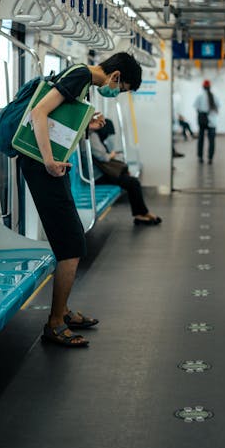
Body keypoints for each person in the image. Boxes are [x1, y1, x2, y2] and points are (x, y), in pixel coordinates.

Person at [18, 52, 142, 348]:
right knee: (71, 244)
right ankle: (55, 323)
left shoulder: (82, 80)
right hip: (42, 164)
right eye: (121, 88)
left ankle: (62, 312)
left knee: (73, 241)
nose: (116, 93)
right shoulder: (80, 76)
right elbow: (39, 113)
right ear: (115, 77)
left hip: (52, 165)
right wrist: (49, 160)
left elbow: (59, 121)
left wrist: (88, 127)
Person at [88, 119, 162, 226]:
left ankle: (141, 213)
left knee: (131, 180)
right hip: (98, 175)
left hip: (101, 172)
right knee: (133, 183)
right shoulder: (91, 136)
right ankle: (142, 214)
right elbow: (103, 157)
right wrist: (111, 155)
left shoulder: (92, 135)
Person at [194, 80, 220, 163]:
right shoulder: (214, 97)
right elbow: (218, 108)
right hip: (212, 121)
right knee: (211, 141)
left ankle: (200, 157)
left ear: (203, 87)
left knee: (201, 139)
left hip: (202, 121)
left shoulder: (200, 96)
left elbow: (196, 108)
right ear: (210, 87)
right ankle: (210, 158)